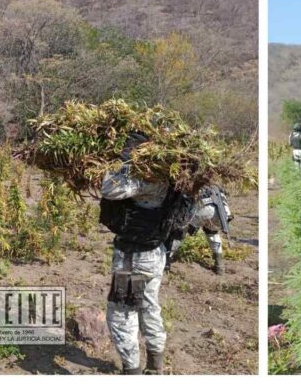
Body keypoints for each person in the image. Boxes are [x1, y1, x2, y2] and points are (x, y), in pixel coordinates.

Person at [99, 133, 190, 375]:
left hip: (133, 258)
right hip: (155, 254)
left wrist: (124, 165)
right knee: (149, 305)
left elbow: (109, 188)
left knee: (122, 313)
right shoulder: (170, 178)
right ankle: (155, 364)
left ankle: (132, 371)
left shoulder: (145, 180)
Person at [166, 185, 233, 275]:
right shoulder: (217, 186)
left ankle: (166, 261)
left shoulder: (196, 182)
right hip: (223, 212)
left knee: (179, 233)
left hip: (204, 207)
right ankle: (220, 265)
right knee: (213, 233)